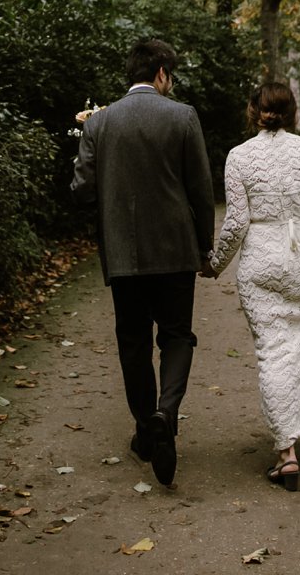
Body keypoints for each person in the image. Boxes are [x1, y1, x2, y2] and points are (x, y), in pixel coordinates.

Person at [71, 38, 214, 487]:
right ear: (161, 74)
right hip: (174, 250)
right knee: (177, 335)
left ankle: (144, 431)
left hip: (124, 252)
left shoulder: (101, 122)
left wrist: (86, 143)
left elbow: (82, 190)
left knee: (132, 340)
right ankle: (164, 414)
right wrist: (204, 247)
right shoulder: (183, 116)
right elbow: (201, 189)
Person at [205, 81, 300, 492]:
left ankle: (286, 452)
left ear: (254, 111)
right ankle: (293, 429)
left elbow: (236, 223)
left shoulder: (239, 157)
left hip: (263, 263)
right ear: (293, 111)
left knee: (272, 350)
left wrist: (215, 264)